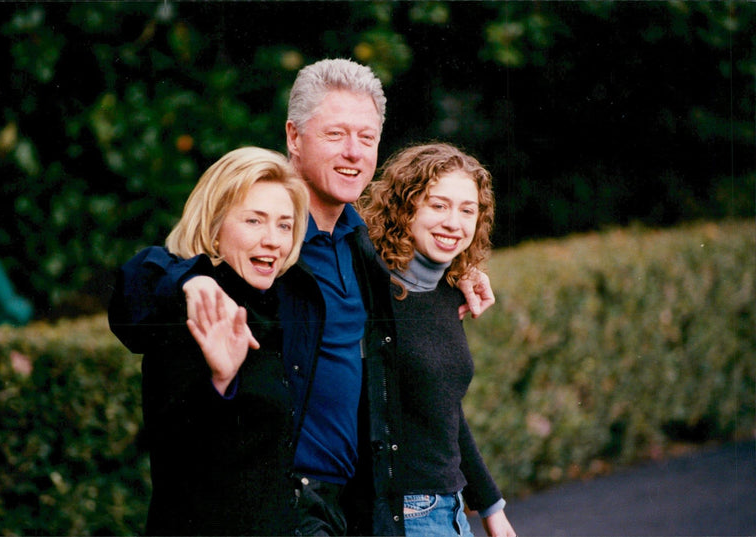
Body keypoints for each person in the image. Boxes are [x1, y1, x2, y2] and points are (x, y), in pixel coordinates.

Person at [109, 58, 496, 536]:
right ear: (294, 137)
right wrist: (187, 281)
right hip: (270, 508)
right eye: (335, 135)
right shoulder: (257, 244)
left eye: (367, 137)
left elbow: (419, 269)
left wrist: (460, 270)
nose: (354, 152)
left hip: (347, 509)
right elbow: (139, 286)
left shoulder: (364, 251)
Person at [109, 146, 322, 535]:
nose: (273, 240)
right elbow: (178, 450)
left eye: (284, 225)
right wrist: (220, 382)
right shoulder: (193, 303)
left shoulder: (276, 302)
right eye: (254, 221)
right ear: (215, 226)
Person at [358, 143, 517, 537]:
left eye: (467, 210)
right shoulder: (371, 291)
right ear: (404, 207)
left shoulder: (447, 293)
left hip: (452, 510)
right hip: (405, 513)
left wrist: (491, 506)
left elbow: (441, 412)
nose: (454, 222)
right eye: (437, 205)